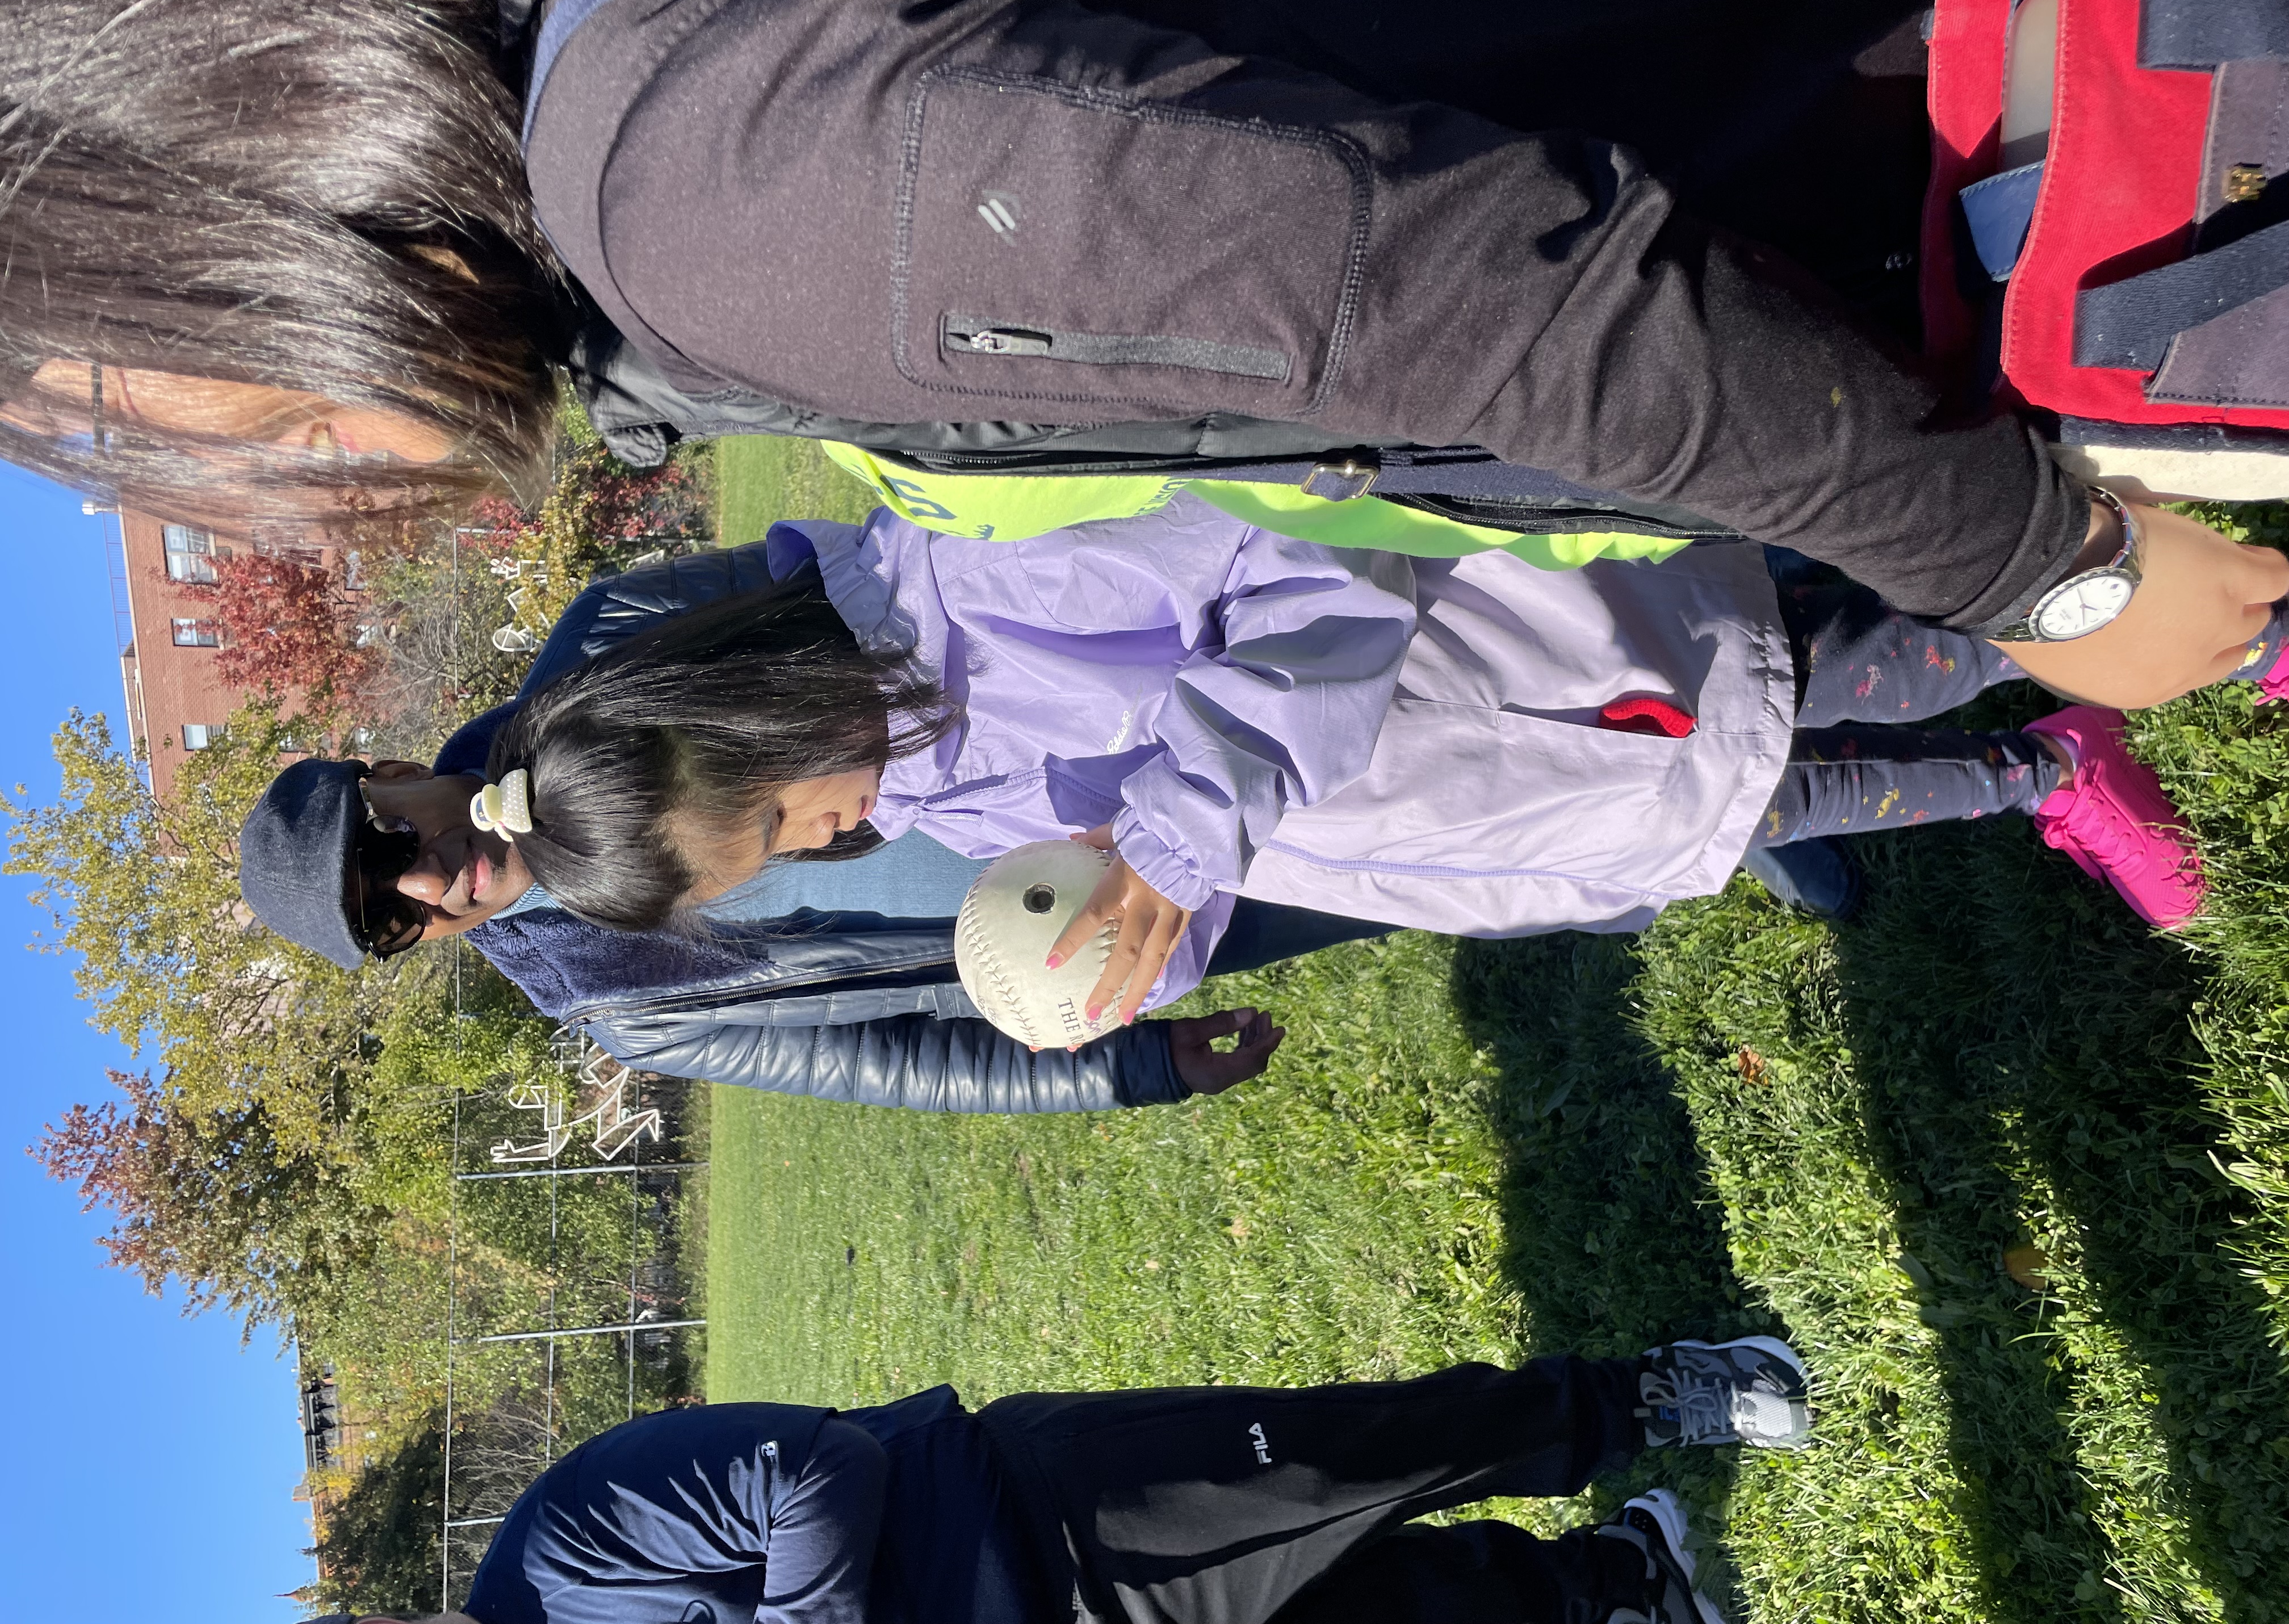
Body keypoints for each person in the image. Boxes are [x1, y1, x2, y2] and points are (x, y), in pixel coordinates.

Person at [2, 0, 2282, 714]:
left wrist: (2041, 567)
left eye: (209, 415)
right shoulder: (616, 8)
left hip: (1936, 120)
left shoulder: (698, 185)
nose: (301, 483)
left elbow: (1463, 290)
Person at [480, 496, 2261, 1030]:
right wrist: (1133, 932)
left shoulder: (983, 577)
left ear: (759, 726)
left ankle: (2221, 624)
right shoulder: (933, 786)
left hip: (1556, 684)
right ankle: (2051, 777)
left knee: (1880, 663)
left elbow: (1314, 560)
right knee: (1797, 803)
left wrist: (1174, 833)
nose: (829, 838)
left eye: (782, 822)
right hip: (1516, 808)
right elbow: (1187, 850)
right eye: (784, 863)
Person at [238, 543, 1396, 1112]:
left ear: (388, 772)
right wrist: (1126, 1069)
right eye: (389, 925)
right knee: (1438, 859)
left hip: (1151, 698)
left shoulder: (609, 638)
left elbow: (880, 587)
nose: (425, 887)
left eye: (385, 845)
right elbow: (883, 1063)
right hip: (1126, 938)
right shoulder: (610, 998)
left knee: (1391, 688)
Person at [314, 1335, 1816, 1624]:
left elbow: (816, 1471)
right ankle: (1618, 1579)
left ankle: (1650, 1396)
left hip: (1036, 1504)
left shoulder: (564, 1546)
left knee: (1369, 1455)